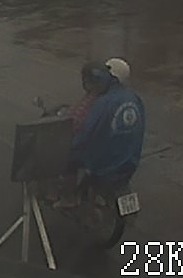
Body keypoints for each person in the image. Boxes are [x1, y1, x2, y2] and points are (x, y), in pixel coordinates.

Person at [56, 61, 145, 207]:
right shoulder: (134, 98)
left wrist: (71, 148)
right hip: (129, 161)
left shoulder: (104, 102)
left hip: (105, 162)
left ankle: (69, 198)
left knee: (69, 159)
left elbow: (87, 132)